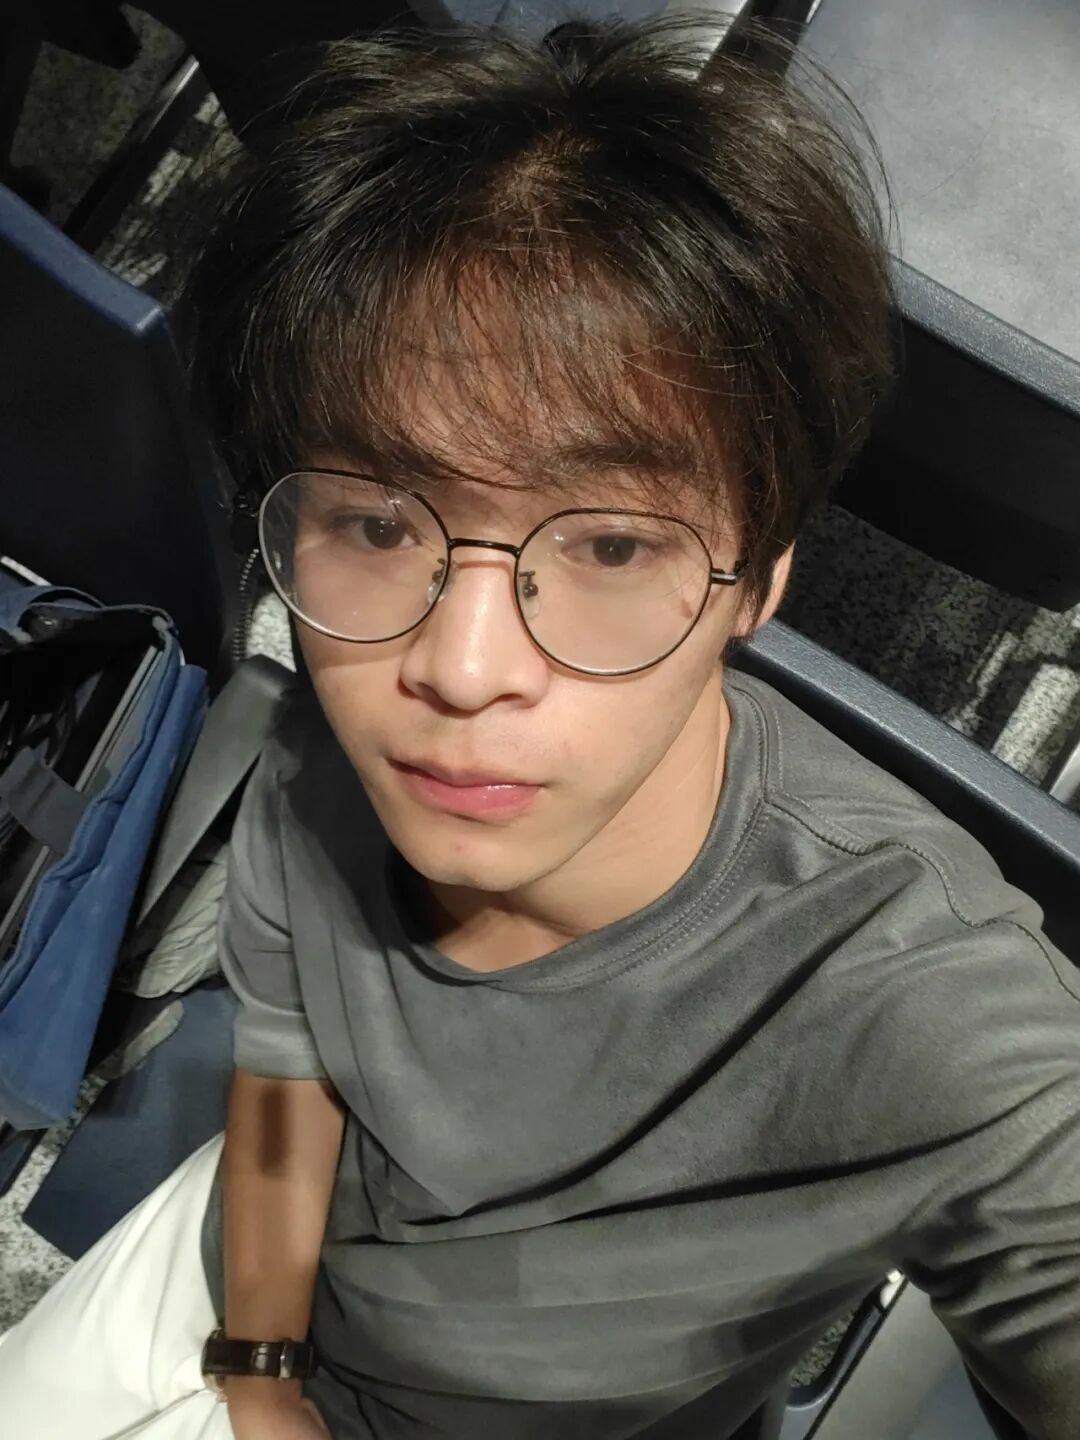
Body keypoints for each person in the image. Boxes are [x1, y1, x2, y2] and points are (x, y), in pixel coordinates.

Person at [3, 13, 1079, 1440]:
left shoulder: (923, 1015)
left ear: (757, 583)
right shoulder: (316, 755)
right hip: (239, 1291)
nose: (457, 671)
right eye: (379, 524)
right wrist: (258, 1369)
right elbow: (287, 1065)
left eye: (611, 547)